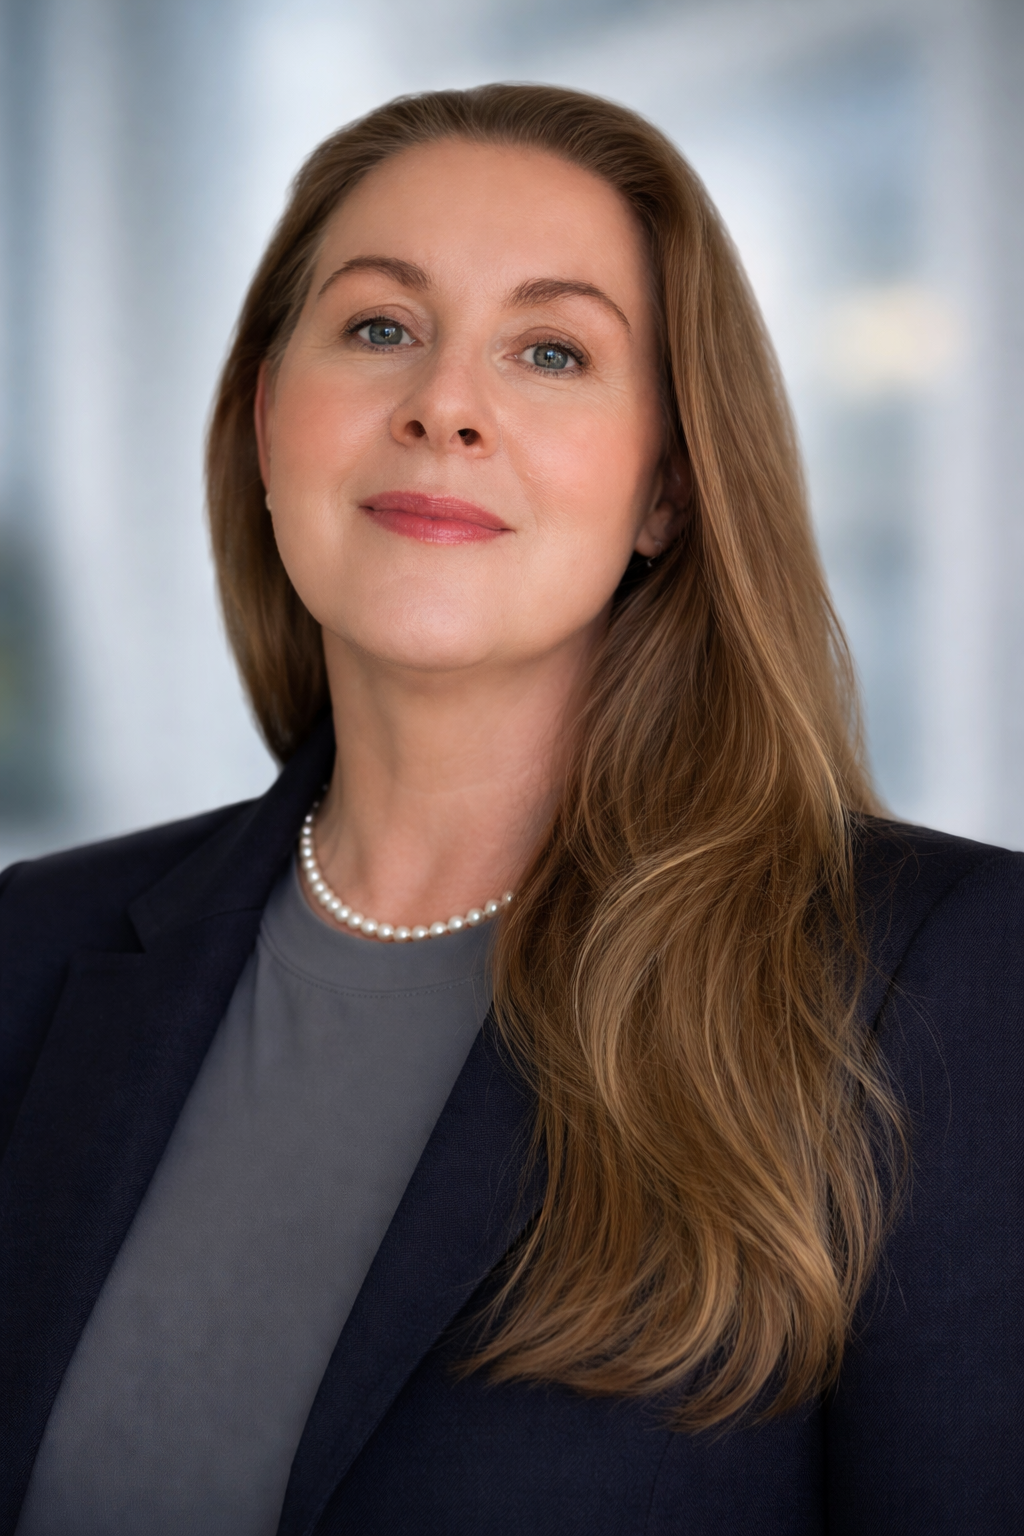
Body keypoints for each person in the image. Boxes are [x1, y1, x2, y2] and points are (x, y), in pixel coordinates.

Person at [0, 84, 1019, 1536]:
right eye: (376, 328)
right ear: (262, 415)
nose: (445, 405)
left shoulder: (940, 977)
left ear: (668, 486)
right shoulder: (33, 945)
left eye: (552, 350)